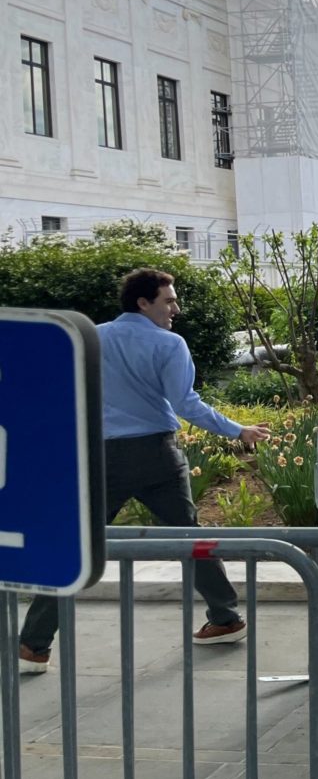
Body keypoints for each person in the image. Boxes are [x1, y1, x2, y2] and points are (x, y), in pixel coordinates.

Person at [17, 268, 271, 675]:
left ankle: (34, 646)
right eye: (169, 300)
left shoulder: (89, 338)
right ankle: (225, 617)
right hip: (158, 456)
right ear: (143, 302)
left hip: (102, 456)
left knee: (76, 548)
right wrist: (238, 430)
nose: (176, 309)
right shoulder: (169, 344)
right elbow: (186, 404)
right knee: (189, 536)